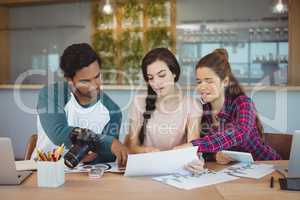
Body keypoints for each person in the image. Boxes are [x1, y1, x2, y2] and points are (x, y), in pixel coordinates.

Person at [178, 48, 281, 164]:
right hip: (232, 173)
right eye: (199, 82)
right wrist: (215, 155)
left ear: (225, 82)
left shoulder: (243, 103)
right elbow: (206, 151)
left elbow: (239, 133)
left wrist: (193, 145)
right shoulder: (202, 110)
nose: (202, 87)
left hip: (267, 166)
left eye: (209, 81)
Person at [32, 43, 128, 166]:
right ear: (70, 80)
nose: (95, 85)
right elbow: (58, 133)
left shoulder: (112, 111)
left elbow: (107, 158)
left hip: (85, 177)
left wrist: (93, 157)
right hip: (42, 171)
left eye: (97, 76)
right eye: (85, 81)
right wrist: (110, 143)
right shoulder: (50, 94)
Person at [126, 47, 203, 154]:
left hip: (178, 166)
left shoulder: (192, 105)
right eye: (150, 78)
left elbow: (193, 147)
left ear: (174, 72)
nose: (156, 83)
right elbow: (131, 146)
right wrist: (144, 150)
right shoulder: (139, 102)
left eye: (161, 75)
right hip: (146, 166)